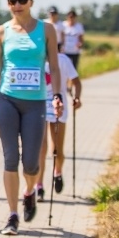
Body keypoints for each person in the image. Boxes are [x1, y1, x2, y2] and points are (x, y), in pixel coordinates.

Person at [0, 0, 62, 235]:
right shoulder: (0, 32)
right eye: (12, 0)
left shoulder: (46, 30)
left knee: (31, 163)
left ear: (31, 2)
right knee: (9, 158)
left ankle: (29, 191)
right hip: (7, 100)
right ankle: (12, 214)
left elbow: (56, 67)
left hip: (35, 102)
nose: (17, 5)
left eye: (22, 0)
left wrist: (57, 95)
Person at [36, 52, 82, 200]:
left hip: (58, 107)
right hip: (39, 105)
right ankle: (39, 185)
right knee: (40, 148)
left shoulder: (62, 60)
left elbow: (76, 82)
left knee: (56, 150)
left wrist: (77, 98)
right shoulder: (35, 57)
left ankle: (58, 171)